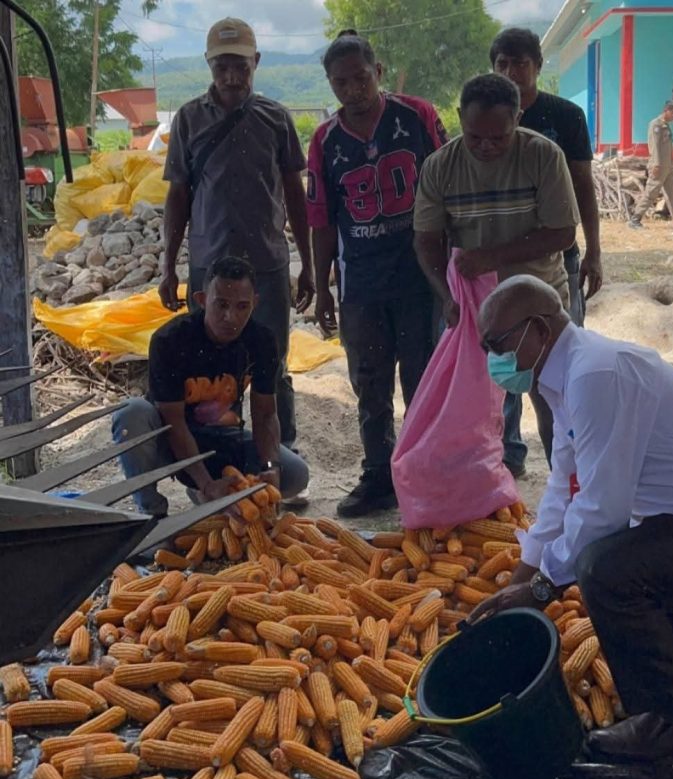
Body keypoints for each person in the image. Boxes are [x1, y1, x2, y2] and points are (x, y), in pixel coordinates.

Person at [467, 274, 673, 764]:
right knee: (622, 568)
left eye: (496, 344)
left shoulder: (595, 375)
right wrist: (523, 578)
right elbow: (562, 490)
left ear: (537, 330)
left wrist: (543, 589)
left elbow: (603, 509)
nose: (492, 358)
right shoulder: (567, 376)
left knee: (606, 570)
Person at [307, 31, 448, 517]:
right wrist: (324, 286)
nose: (353, 89)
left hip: (418, 276)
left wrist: (451, 271)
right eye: (340, 82)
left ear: (379, 72)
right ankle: (379, 476)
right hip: (361, 283)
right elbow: (322, 219)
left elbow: (448, 187)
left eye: (361, 77)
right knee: (369, 384)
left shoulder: (418, 117)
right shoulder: (325, 140)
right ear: (330, 84)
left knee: (421, 380)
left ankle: (425, 473)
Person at [413, 73, 580, 476]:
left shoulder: (543, 155)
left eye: (499, 138)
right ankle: (483, 491)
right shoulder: (441, 166)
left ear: (519, 117)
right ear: (459, 119)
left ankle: (571, 485)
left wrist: (491, 257)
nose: (486, 147)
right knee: (473, 408)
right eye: (475, 137)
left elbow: (562, 232)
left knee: (554, 400)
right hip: (475, 308)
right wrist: (446, 296)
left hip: (539, 306)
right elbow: (425, 242)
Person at [159, 17, 314, 450]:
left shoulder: (276, 119)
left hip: (265, 264)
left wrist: (308, 265)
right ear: (209, 65)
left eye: (241, 67)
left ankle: (279, 460)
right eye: (222, 67)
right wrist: (168, 267)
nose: (231, 77)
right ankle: (217, 462)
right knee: (209, 369)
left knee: (274, 364)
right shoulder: (189, 120)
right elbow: (178, 196)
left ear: (256, 63)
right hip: (210, 266)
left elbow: (294, 196)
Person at [113, 256, 309, 516]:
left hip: (221, 437)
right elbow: (174, 423)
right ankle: (152, 513)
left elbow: (264, 413)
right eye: (221, 305)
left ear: (255, 304)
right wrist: (206, 484)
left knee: (295, 474)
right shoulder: (170, 340)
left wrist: (270, 466)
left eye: (242, 306)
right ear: (202, 300)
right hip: (168, 440)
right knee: (131, 414)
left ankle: (208, 493)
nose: (231, 317)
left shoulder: (261, 340)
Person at [490, 27, 602, 474]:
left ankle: (568, 462)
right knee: (505, 361)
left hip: (557, 258)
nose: (511, 72)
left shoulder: (564, 116)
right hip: (501, 260)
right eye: (502, 64)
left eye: (520, 63)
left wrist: (593, 251)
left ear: (537, 66)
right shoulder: (488, 120)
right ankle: (508, 457)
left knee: (557, 361)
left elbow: (583, 185)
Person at [629, 100, 673, 229]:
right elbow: (654, 146)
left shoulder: (666, 125)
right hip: (659, 166)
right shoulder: (656, 125)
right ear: (667, 110)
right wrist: (656, 164)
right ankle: (635, 219)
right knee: (651, 193)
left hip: (668, 167)